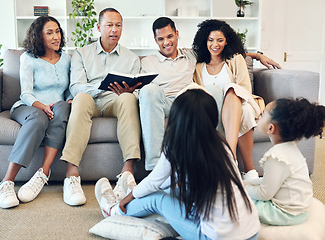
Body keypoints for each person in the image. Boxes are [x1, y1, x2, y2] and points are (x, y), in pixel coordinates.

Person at [110, 17, 281, 172]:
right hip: (160, 102)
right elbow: (140, 87)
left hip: (187, 102)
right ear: (155, 40)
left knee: (213, 91)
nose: (166, 42)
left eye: (170, 36)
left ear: (177, 34)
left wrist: (257, 55)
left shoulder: (192, 55)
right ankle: (156, 167)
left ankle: (219, 158)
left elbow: (219, 50)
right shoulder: (146, 62)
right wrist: (129, 90)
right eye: (161, 39)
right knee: (149, 90)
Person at [94, 89, 260, 240]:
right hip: (252, 232)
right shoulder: (220, 143)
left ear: (177, 119)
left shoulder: (176, 146)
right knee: (172, 189)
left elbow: (154, 182)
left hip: (214, 237)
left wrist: (128, 199)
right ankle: (132, 195)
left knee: (156, 199)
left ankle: (114, 210)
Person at [59, 8, 141, 206]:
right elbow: (76, 86)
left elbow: (139, 91)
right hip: (91, 98)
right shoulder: (81, 53)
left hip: (117, 100)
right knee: (80, 98)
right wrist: (100, 86)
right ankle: (71, 175)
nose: (114, 30)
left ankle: (127, 174)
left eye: (118, 25)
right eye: (109, 25)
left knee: (130, 99)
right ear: (98, 27)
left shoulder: (132, 58)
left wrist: (128, 91)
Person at [0, 16, 71, 209]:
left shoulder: (67, 59)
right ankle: (6, 182)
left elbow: (68, 90)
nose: (56, 36)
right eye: (49, 33)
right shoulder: (28, 58)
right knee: (39, 118)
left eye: (57, 31)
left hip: (56, 108)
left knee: (64, 106)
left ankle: (43, 173)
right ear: (39, 36)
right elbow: (26, 93)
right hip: (29, 107)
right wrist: (42, 106)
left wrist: (70, 99)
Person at [192, 19, 263, 180]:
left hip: (239, 103)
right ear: (205, 40)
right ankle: (240, 166)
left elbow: (244, 89)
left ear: (226, 42)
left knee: (235, 96)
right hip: (210, 107)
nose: (214, 44)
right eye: (210, 40)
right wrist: (257, 55)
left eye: (220, 40)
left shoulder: (235, 59)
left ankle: (232, 158)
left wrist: (257, 55)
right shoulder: (197, 65)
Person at [244, 98, 325, 225]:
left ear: (271, 128)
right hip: (299, 210)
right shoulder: (290, 150)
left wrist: (244, 189)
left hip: (285, 214)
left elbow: (264, 194)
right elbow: (270, 181)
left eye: (263, 114)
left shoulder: (276, 157)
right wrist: (247, 182)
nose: (259, 116)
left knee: (240, 202)